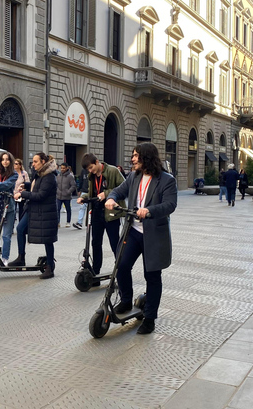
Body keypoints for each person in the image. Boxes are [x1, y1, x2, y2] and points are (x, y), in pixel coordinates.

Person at [105, 143, 178, 335]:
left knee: (152, 276)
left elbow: (170, 205)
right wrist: (112, 198)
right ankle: (126, 300)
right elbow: (118, 190)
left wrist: (150, 211)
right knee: (121, 264)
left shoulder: (166, 180)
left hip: (154, 234)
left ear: (146, 157)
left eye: (136, 155)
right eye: (133, 155)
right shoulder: (133, 177)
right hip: (134, 231)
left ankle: (150, 317)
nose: (133, 158)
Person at [76, 153, 125, 276]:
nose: (90, 171)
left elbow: (125, 188)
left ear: (97, 162)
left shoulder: (112, 171)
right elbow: (93, 193)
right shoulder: (91, 176)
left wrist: (107, 193)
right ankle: (95, 271)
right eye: (88, 169)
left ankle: (120, 270)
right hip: (97, 212)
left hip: (111, 213)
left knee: (115, 243)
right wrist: (84, 197)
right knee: (95, 243)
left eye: (91, 168)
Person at [13, 152, 58, 278]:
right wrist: (26, 185)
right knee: (20, 229)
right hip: (34, 210)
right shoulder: (40, 174)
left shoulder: (49, 176)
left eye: (35, 162)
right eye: (33, 162)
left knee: (47, 240)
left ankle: (50, 267)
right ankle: (21, 257)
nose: (33, 164)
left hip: (45, 212)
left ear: (43, 162)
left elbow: (40, 195)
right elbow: (36, 187)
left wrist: (22, 194)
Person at [56, 163, 77, 228]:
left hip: (67, 196)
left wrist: (68, 192)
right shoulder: (58, 175)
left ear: (67, 168)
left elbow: (73, 186)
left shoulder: (70, 176)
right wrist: (57, 191)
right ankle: (58, 222)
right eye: (61, 168)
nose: (62, 169)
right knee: (57, 209)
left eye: (63, 168)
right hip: (59, 195)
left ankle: (68, 222)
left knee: (68, 209)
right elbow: (56, 184)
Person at [13, 158, 30, 223]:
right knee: (12, 212)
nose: (14, 165)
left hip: (21, 195)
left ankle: (20, 226)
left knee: (21, 211)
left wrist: (23, 189)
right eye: (14, 164)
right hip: (13, 194)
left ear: (20, 165)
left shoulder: (24, 173)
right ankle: (11, 228)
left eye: (16, 164)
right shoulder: (12, 173)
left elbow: (28, 183)